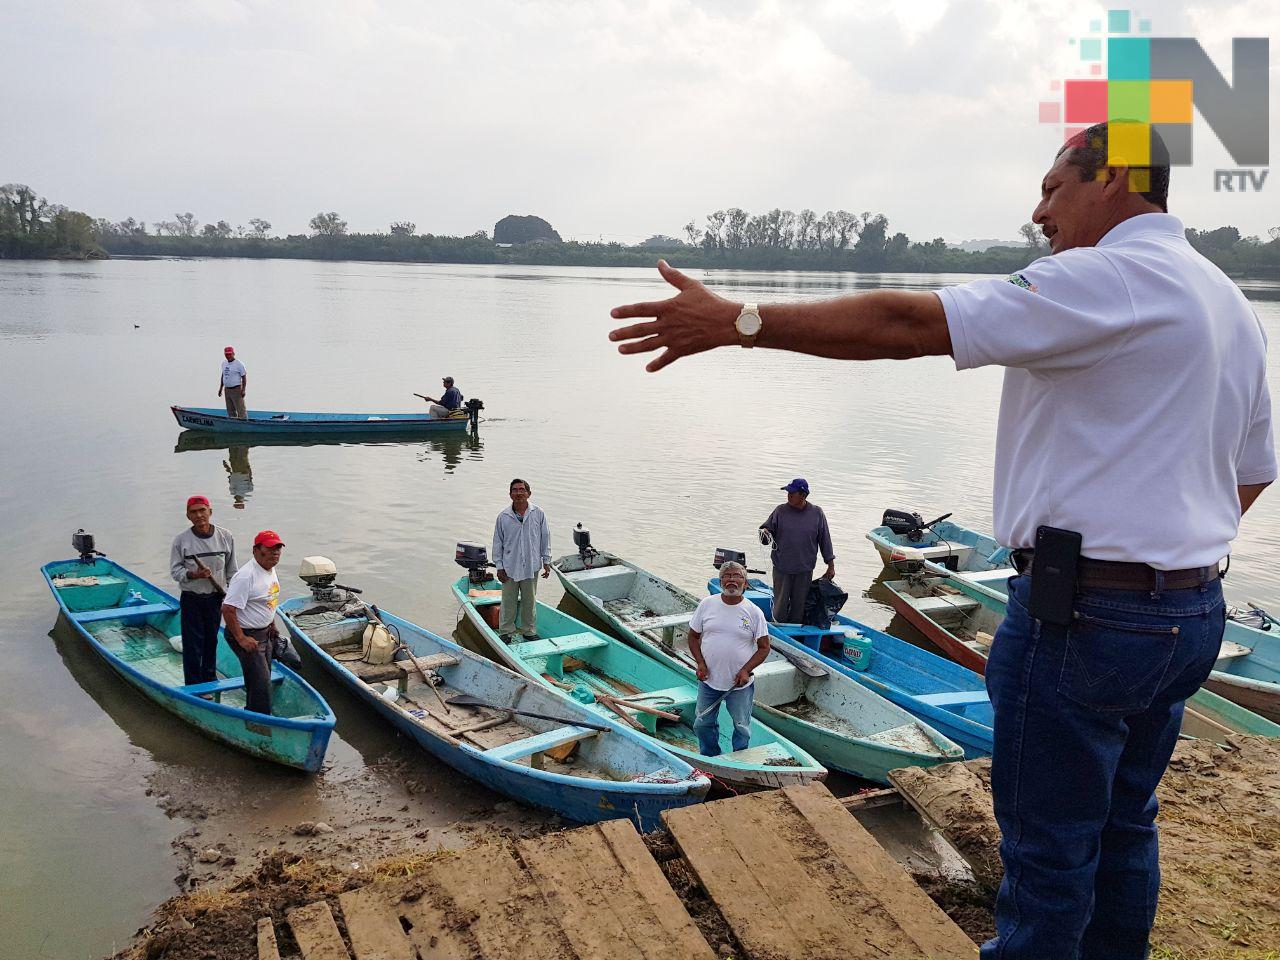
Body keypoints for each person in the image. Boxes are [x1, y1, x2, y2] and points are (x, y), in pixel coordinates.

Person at [608, 121, 1274, 960]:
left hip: (1087, 619)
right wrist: (1165, 566)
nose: (1039, 210)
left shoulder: (1108, 276)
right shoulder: (1225, 299)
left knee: (1048, 855)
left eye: (1053, 186)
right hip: (1185, 613)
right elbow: (1252, 469)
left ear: (1112, 182)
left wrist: (739, 321)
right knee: (1123, 827)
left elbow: (907, 324)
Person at [686, 561, 771, 756]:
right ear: (721, 581)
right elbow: (693, 636)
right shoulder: (707, 604)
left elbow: (764, 648)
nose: (732, 579)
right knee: (702, 723)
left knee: (741, 727)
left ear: (745, 583)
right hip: (709, 682)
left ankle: (739, 759)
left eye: (737, 576)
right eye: (727, 576)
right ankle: (710, 756)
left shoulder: (754, 612)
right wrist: (700, 662)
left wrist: (746, 670)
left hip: (739, 685)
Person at [169, 495, 236, 686]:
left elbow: (232, 571)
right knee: (192, 643)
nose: (199, 516)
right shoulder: (181, 541)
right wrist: (194, 575)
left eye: (202, 510)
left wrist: (234, 597)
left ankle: (209, 678)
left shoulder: (225, 537)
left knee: (211, 640)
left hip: (215, 598)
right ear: (188, 516)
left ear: (210, 512)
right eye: (194, 512)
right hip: (192, 598)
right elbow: (176, 571)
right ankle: (193, 684)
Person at [221, 530, 285, 714]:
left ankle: (255, 710)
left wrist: (272, 624)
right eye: (271, 548)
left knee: (263, 677)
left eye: (278, 548)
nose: (275, 553)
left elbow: (267, 600)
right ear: (256, 550)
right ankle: (258, 722)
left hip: (265, 633)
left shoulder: (270, 569)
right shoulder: (245, 576)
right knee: (261, 683)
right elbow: (228, 609)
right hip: (246, 634)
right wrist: (241, 638)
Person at [759, 478, 836, 623]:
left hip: (804, 569)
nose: (788, 495)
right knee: (780, 604)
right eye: (788, 492)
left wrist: (830, 565)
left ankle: (796, 633)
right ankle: (778, 630)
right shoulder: (780, 511)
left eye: (792, 493)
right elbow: (766, 532)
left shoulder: (817, 513)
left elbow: (825, 540)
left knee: (799, 606)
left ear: (803, 495)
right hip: (782, 567)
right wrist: (765, 533)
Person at [492, 478, 551, 640]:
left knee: (529, 601)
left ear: (529, 493)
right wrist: (499, 566)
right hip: (509, 566)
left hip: (531, 566)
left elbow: (545, 538)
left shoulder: (538, 513)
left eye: (522, 490)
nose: (519, 493)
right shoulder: (503, 516)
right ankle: (506, 632)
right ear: (510, 494)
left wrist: (547, 561)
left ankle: (529, 631)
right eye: (515, 490)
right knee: (508, 602)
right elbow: (498, 543)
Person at [219, 346, 248, 419]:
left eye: (229, 354)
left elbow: (244, 377)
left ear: (233, 354)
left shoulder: (239, 364)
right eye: (226, 354)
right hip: (227, 389)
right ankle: (233, 422)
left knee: (240, 409)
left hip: (236, 389)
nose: (228, 356)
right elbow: (223, 375)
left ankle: (244, 422)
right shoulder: (224, 363)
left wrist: (243, 389)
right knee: (230, 409)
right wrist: (221, 388)